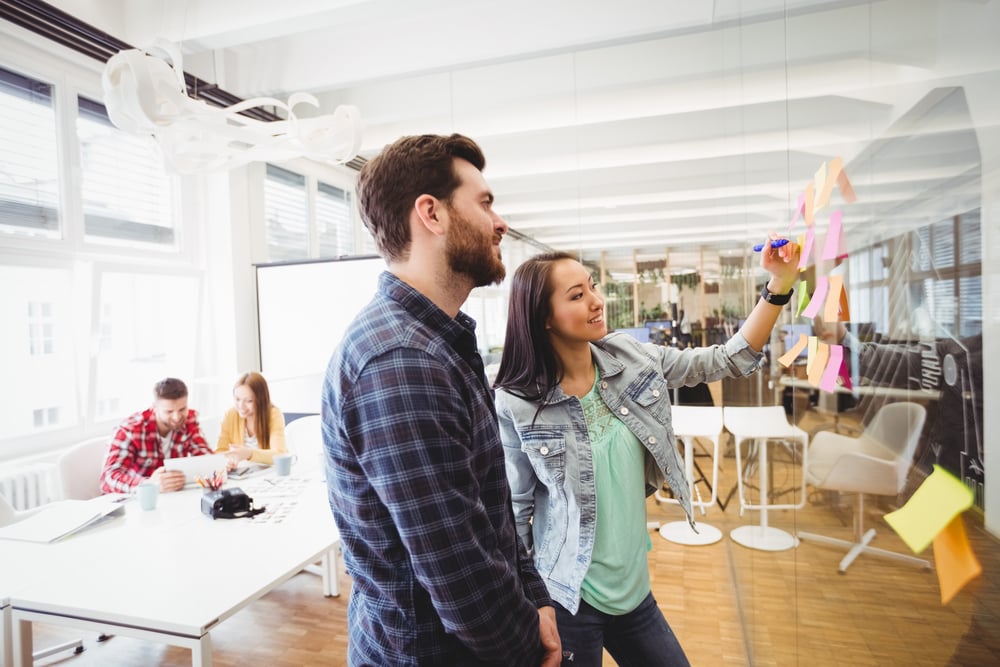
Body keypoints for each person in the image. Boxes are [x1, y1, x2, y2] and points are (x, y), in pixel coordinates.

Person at [493, 245, 800, 667]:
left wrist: (779, 286)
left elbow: (731, 358)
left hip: (634, 592)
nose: (597, 301)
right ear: (544, 317)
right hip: (568, 598)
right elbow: (514, 513)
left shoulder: (632, 358)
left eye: (593, 287)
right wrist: (533, 604)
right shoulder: (517, 403)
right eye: (576, 295)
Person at [321, 133, 560, 666]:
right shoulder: (401, 361)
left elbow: (487, 507)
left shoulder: (437, 341)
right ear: (431, 213)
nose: (499, 223)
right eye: (485, 202)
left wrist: (536, 597)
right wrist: (529, 646)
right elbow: (460, 571)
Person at [99, 377, 215, 494]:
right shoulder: (130, 429)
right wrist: (149, 484)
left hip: (172, 497)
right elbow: (108, 479)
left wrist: (220, 464)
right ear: (155, 407)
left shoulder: (189, 419)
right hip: (138, 499)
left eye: (182, 409)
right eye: (169, 411)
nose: (177, 417)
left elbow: (205, 457)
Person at [215, 371, 287, 466]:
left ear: (260, 400)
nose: (241, 406)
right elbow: (221, 451)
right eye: (237, 399)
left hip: (268, 472)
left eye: (249, 401)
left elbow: (279, 454)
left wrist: (249, 454)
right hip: (242, 474)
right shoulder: (230, 415)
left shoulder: (274, 415)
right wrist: (228, 462)